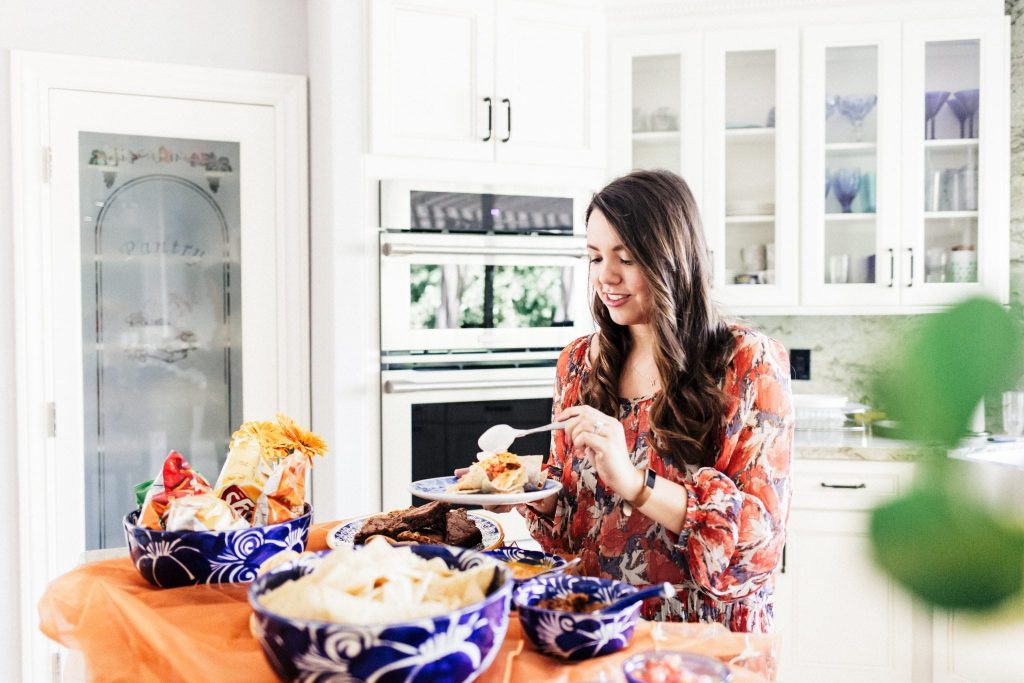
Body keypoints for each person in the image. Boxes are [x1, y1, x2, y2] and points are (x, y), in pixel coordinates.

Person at [518, 169, 793, 632]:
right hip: (595, 631)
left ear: (672, 259)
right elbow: (576, 532)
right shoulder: (580, 363)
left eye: (625, 257)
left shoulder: (746, 363)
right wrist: (531, 489)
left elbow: (755, 547)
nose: (606, 277)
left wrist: (635, 482)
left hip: (705, 641)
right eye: (594, 256)